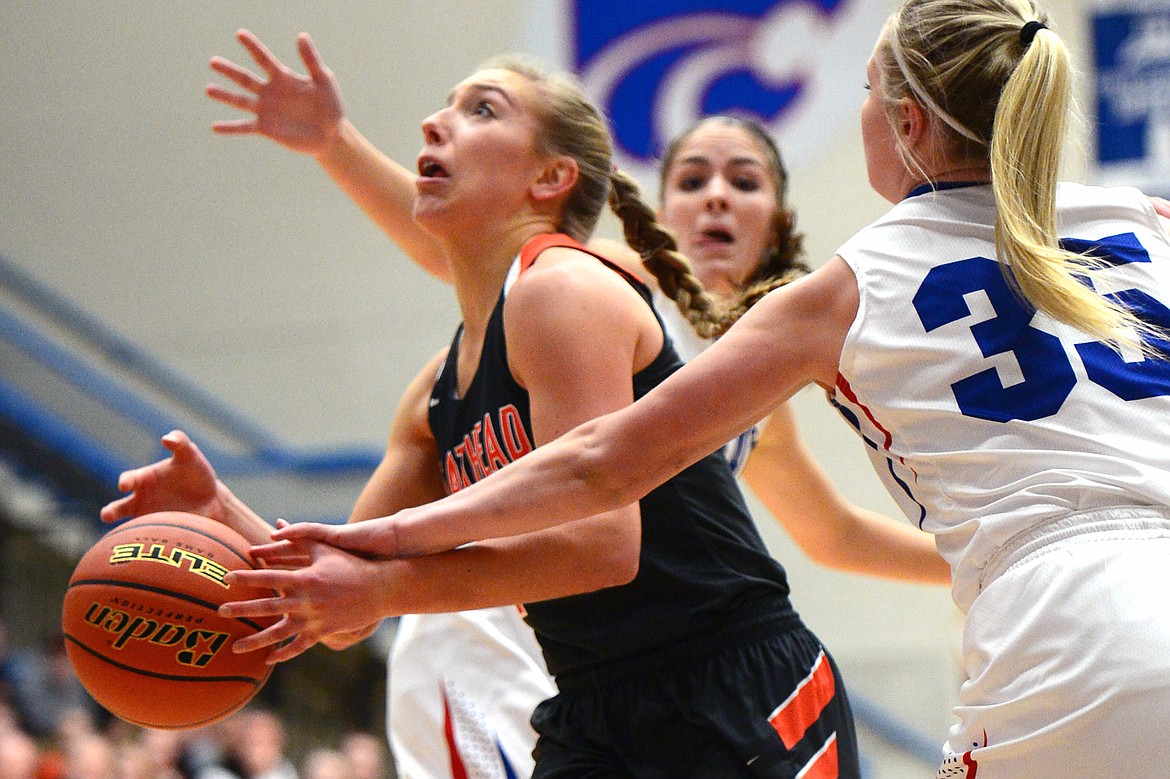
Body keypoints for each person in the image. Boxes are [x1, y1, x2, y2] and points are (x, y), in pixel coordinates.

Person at [234, 0, 1170, 776]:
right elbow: (468, 242)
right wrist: (337, 144)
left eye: (745, 177)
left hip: (736, 671)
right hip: (547, 669)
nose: (718, 196)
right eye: (693, 176)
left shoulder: (803, 319)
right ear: (652, 206)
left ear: (781, 213)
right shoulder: (598, 289)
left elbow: (824, 533)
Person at [105, 52, 863, 778]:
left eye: (481, 109)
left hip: (732, 687)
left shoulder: (566, 289)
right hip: (592, 708)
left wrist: (387, 586)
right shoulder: (437, 391)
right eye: (444, 106)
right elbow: (347, 602)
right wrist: (224, 519)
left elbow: (602, 547)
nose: (437, 122)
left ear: (550, 177)